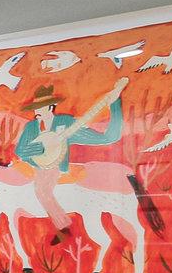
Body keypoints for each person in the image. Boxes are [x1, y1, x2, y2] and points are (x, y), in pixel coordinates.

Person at [14, 77, 128, 235]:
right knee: (40, 188)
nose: (36, 113)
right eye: (35, 109)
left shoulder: (65, 123)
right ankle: (63, 226)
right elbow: (20, 151)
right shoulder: (31, 127)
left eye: (39, 108)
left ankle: (64, 228)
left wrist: (114, 106)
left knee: (42, 190)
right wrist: (41, 148)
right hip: (38, 166)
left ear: (50, 107)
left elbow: (108, 138)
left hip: (55, 167)